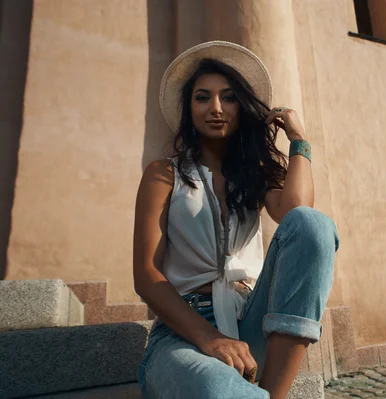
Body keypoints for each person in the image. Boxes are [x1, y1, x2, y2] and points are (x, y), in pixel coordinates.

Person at [133, 40, 339, 399]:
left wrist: (299, 140)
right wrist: (209, 337)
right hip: (183, 331)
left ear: (241, 107)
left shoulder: (254, 175)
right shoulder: (163, 174)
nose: (216, 108)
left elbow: (297, 215)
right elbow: (147, 276)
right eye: (202, 97)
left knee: (314, 224)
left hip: (253, 323)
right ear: (188, 109)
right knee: (216, 388)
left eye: (228, 97)